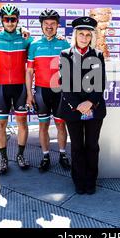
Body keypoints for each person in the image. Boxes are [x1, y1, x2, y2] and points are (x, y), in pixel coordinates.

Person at [58, 16, 106, 195]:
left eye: (88, 35)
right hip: (73, 110)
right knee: (77, 146)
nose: (84, 38)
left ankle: (91, 181)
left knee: (92, 146)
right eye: (81, 34)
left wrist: (90, 102)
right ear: (75, 35)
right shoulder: (65, 54)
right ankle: (78, 181)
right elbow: (65, 84)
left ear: (92, 37)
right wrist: (78, 105)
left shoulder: (98, 55)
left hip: (94, 108)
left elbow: (101, 83)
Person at [0, 4, 33, 174]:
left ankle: (20, 155)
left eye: (13, 19)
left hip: (20, 88)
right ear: (2, 20)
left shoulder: (26, 38)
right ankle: (3, 158)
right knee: (0, 124)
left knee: (22, 123)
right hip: (2, 88)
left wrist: (24, 30)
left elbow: (41, 45)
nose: (10, 22)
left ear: (17, 20)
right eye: (7, 19)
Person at [26, 9, 71, 172]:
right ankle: (45, 156)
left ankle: (63, 154)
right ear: (42, 25)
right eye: (46, 24)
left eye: (53, 24)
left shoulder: (65, 44)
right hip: (41, 92)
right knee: (43, 125)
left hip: (60, 92)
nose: (49, 27)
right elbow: (30, 71)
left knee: (60, 125)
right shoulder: (34, 45)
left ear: (58, 25)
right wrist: (29, 94)